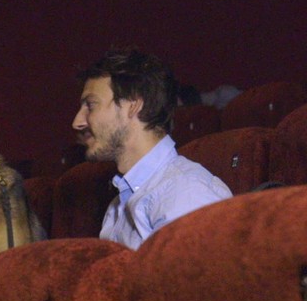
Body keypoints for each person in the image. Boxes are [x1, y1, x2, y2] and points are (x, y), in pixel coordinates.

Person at [72, 49, 232, 250]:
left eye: (91, 105)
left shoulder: (186, 192)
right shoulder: (117, 205)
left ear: (133, 105)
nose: (77, 122)